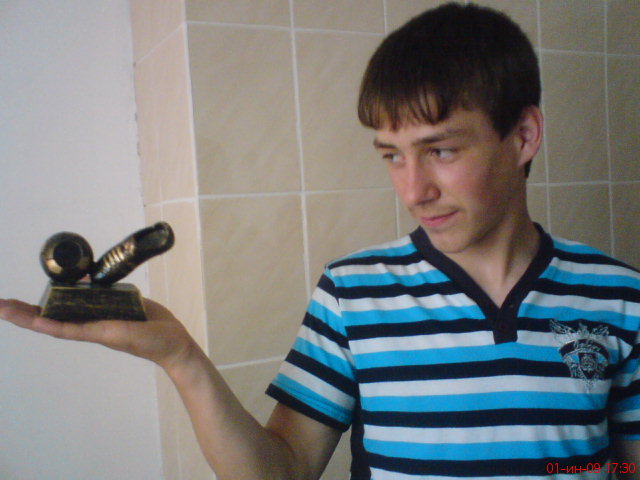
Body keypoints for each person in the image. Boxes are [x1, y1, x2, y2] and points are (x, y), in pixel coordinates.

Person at [1, 3, 639, 479]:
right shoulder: (353, 294)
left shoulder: (622, 299)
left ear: (523, 136)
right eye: (392, 156)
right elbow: (282, 472)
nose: (413, 189)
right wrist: (182, 360)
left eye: (440, 150)